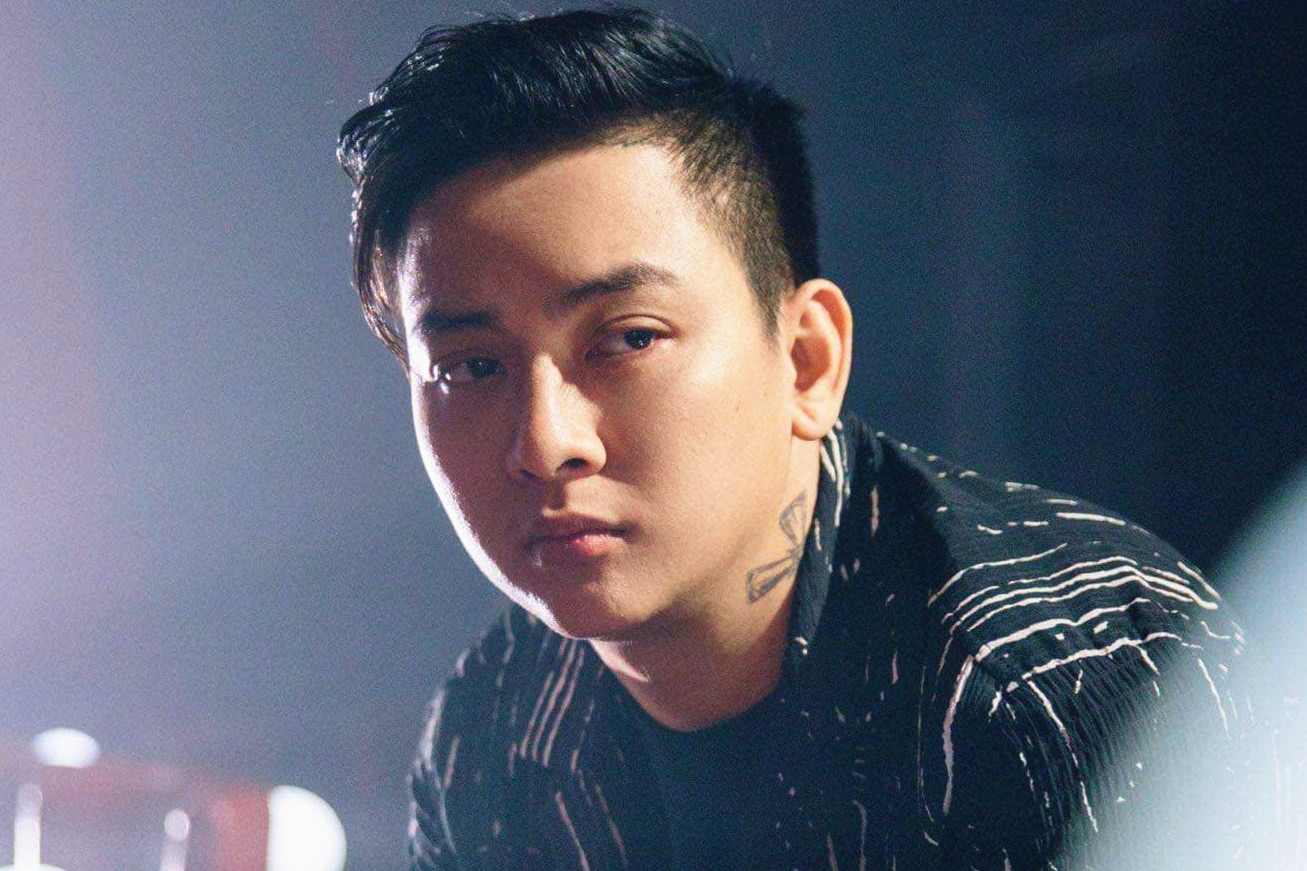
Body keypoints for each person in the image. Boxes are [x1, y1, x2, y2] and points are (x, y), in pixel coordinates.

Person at [336, 9, 1252, 869]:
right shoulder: (491, 731)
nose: (545, 443)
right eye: (471, 367)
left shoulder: (1058, 688)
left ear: (808, 360)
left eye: (628, 339)